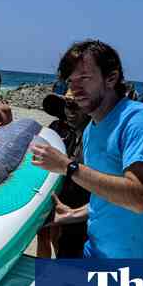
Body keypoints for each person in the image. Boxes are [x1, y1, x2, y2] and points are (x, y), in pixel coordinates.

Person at [31, 40, 143, 258]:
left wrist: (68, 166)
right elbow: (107, 194)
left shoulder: (139, 120)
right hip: (95, 253)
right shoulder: (91, 131)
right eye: (71, 81)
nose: (75, 89)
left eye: (84, 78)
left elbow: (139, 197)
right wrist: (74, 214)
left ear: (111, 78)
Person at [37, 90, 91, 258]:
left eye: (76, 106)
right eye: (68, 106)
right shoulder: (55, 128)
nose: (70, 112)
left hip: (79, 201)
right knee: (44, 234)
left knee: (63, 241)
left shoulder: (91, 135)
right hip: (54, 190)